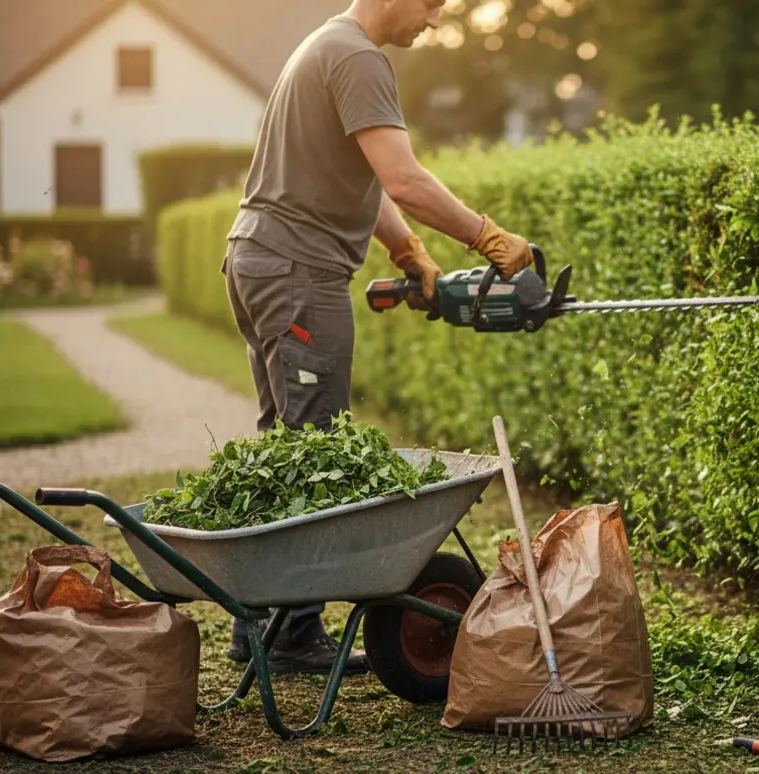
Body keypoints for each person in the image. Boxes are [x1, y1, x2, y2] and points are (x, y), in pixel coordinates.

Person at [221, 0, 535, 674]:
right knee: (315, 449)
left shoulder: (326, 45)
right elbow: (404, 178)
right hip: (299, 273)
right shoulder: (359, 57)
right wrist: (488, 237)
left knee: (285, 445)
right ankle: (292, 635)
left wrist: (407, 252)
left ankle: (260, 628)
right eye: (430, 5)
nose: (435, 20)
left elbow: (366, 179)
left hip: (258, 259)